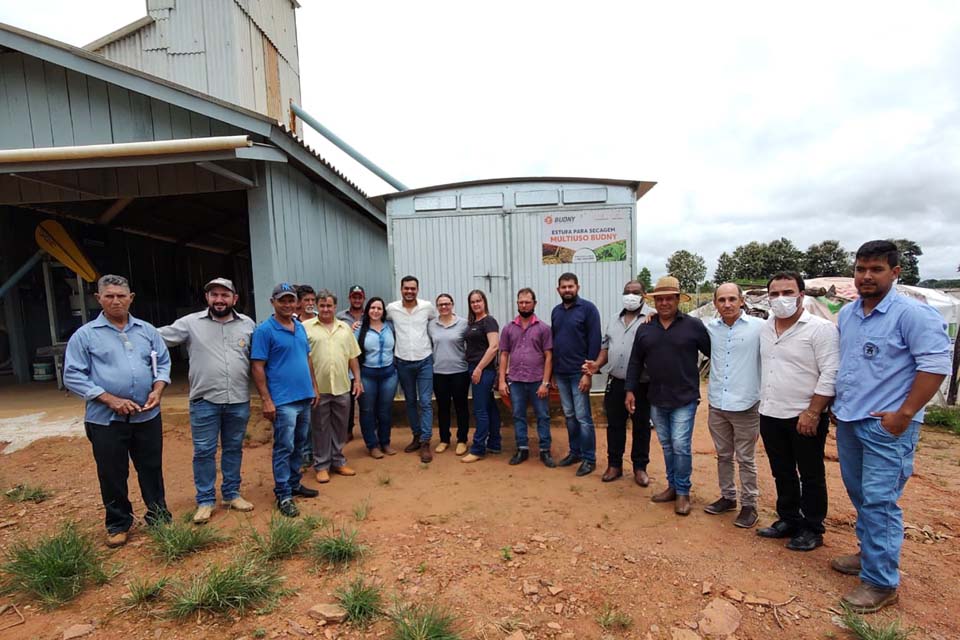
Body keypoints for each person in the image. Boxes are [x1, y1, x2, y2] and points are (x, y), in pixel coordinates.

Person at [831, 241, 952, 613]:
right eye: (861, 269)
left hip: (887, 427)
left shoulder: (912, 314)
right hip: (850, 420)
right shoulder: (848, 314)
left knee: (880, 501)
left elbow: (935, 365)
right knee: (860, 495)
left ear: (895, 272)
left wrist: (905, 413)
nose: (866, 276)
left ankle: (881, 582)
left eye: (876, 269)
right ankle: (868, 554)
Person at [64, 274, 172, 547]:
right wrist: (110, 399)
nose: (116, 301)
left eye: (121, 296)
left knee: (151, 468)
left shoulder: (147, 331)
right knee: (112, 472)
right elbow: (73, 375)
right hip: (106, 420)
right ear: (98, 298)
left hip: (147, 415)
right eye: (109, 296)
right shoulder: (85, 335)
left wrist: (158, 389)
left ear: (131, 298)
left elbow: (163, 363)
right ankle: (117, 523)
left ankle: (158, 516)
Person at [158, 277, 257, 525]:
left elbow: (260, 357)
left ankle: (231, 494)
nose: (219, 300)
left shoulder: (248, 324)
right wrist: (127, 330)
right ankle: (205, 500)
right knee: (204, 452)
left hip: (238, 399)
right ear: (207, 298)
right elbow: (156, 337)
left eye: (225, 295)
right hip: (205, 401)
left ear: (234, 298)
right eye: (214, 295)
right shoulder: (190, 323)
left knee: (233, 448)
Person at [756, 272, 839, 550]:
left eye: (787, 293)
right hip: (770, 412)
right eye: (775, 294)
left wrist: (814, 411)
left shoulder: (820, 329)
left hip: (804, 416)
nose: (781, 299)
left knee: (811, 473)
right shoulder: (766, 328)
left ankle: (812, 527)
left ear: (801, 295)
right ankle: (789, 519)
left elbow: (831, 372)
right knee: (782, 471)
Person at [626, 276, 711, 515]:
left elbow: (713, 352)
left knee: (680, 445)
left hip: (684, 397)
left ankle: (683, 491)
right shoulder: (645, 328)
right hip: (656, 397)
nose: (664, 303)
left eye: (669, 299)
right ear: (654, 302)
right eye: (659, 299)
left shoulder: (693, 326)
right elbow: (635, 361)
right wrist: (630, 390)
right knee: (666, 445)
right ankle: (672, 486)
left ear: (678, 300)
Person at [251, 282, 320, 518]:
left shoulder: (299, 326)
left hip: (304, 396)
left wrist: (314, 387)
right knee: (284, 446)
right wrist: (266, 400)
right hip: (283, 400)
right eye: (282, 300)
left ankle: (294, 483)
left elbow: (307, 358)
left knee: (299, 444)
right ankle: (283, 493)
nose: (287, 304)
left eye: (291, 300)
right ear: (273, 302)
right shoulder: (264, 331)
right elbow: (258, 367)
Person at [703, 283, 764, 529]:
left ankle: (749, 505)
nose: (727, 304)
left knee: (746, 458)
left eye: (732, 299)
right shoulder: (710, 329)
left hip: (746, 404)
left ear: (741, 301)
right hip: (718, 403)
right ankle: (728, 497)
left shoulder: (759, 327)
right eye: (722, 300)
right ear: (715, 303)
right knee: (723, 455)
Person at [584, 280, 652, 486]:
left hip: (642, 384)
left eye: (636, 292)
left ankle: (640, 467)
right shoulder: (614, 319)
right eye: (627, 292)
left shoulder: (652, 317)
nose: (631, 296)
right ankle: (614, 465)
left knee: (641, 426)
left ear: (644, 295)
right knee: (614, 425)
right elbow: (606, 347)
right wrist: (597, 364)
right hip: (616, 382)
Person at [304, 289, 363, 484]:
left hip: (341, 386)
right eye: (322, 305)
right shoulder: (306, 327)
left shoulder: (344, 328)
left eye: (329, 305)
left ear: (335, 307)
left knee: (340, 426)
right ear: (317, 306)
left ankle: (338, 460)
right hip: (318, 388)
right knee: (320, 427)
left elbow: (352, 356)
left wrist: (357, 380)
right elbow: (303, 357)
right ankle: (321, 465)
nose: (326, 309)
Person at [551, 273, 602, 477]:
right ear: (558, 290)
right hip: (561, 373)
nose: (567, 290)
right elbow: (555, 342)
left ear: (577, 287)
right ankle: (575, 452)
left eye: (570, 286)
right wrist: (553, 373)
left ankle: (589, 459)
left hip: (579, 373)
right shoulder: (556, 312)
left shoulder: (588, 309)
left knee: (583, 417)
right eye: (563, 287)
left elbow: (595, 341)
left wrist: (588, 373)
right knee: (570, 416)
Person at [499, 288, 555, 467]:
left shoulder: (544, 328)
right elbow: (504, 355)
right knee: (518, 415)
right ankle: (522, 448)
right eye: (521, 302)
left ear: (534, 303)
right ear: (517, 304)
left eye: (527, 302)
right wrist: (502, 381)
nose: (524, 305)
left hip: (537, 380)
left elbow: (549, 356)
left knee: (543, 416)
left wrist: (545, 383)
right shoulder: (508, 328)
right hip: (515, 380)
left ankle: (545, 450)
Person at [387, 276, 438, 462]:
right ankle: (416, 436)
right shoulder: (392, 309)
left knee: (425, 402)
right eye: (406, 288)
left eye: (413, 288)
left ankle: (425, 442)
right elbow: (377, 319)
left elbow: (435, 320)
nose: (409, 291)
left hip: (424, 360)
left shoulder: (427, 307)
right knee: (410, 401)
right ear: (401, 289)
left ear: (417, 289)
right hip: (403, 362)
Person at [461, 290, 503, 462]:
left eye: (479, 300)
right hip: (475, 367)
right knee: (489, 406)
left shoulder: (489, 321)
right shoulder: (473, 323)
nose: (476, 304)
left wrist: (478, 369)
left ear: (484, 302)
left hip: (483, 370)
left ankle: (478, 449)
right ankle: (494, 443)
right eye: (473, 302)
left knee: (480, 410)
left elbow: (494, 347)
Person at [356, 297, 399, 458]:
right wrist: (356, 378)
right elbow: (353, 354)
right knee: (367, 410)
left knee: (385, 410)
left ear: (383, 311)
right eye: (372, 308)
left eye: (379, 308)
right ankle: (372, 445)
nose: (375, 311)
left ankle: (385, 442)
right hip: (367, 374)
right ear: (367, 310)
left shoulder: (390, 327)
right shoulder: (359, 329)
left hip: (388, 374)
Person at [428, 293, 471, 455]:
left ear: (452, 304)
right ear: (437, 307)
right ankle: (444, 439)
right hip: (439, 372)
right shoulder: (431, 325)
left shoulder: (463, 324)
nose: (444, 307)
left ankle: (462, 440)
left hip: (460, 372)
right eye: (441, 304)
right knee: (443, 407)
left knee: (461, 407)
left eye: (447, 304)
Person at [337, 285, 366, 442]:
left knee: (365, 400)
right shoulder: (340, 317)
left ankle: (368, 429)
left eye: (359, 297)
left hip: (365, 361)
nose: (357, 300)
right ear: (349, 298)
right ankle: (348, 429)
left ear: (364, 298)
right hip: (347, 362)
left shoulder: (369, 314)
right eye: (354, 297)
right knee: (347, 400)